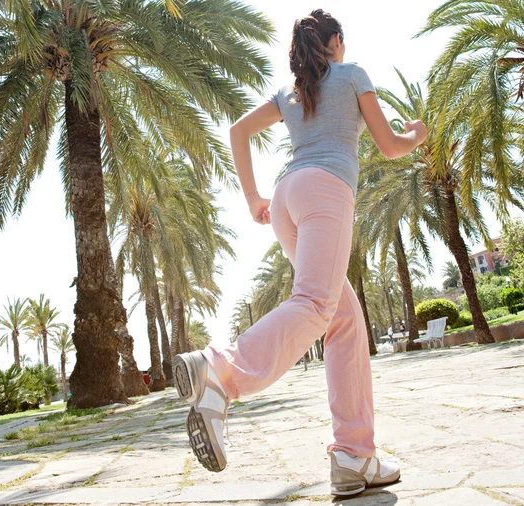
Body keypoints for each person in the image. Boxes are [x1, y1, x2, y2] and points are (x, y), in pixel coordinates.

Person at [173, 9, 427, 497]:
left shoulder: (290, 94)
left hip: (287, 194)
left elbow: (238, 132)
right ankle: (219, 371)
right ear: (336, 41)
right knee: (314, 305)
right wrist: (418, 133)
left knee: (343, 320)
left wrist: (253, 197)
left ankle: (354, 456)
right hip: (326, 190)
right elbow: (391, 146)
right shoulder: (352, 75)